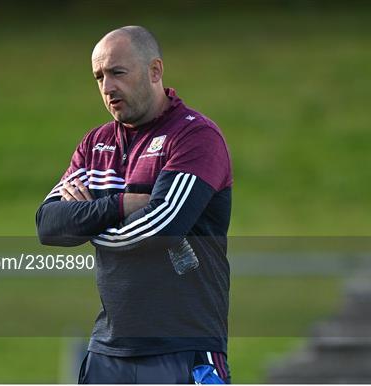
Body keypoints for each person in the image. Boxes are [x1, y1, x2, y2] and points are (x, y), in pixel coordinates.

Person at [36, 26, 232, 384]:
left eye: (117, 73)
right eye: (99, 76)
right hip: (108, 352)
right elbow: (48, 224)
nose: (107, 87)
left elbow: (162, 229)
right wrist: (119, 205)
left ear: (155, 71)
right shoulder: (95, 144)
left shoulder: (195, 137)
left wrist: (91, 225)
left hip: (182, 348)